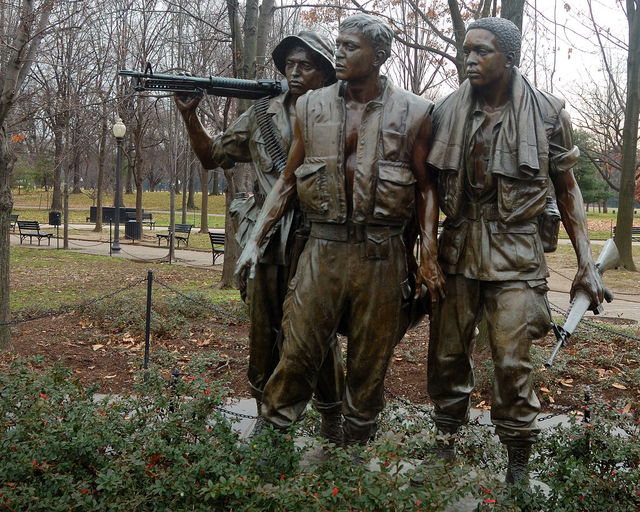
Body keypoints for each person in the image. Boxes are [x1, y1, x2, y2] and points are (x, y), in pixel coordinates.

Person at [236, 13, 445, 446]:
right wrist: (255, 241)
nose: (339, 53)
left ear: (380, 56)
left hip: (381, 254)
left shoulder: (417, 111)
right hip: (322, 249)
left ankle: (355, 456)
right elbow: (288, 180)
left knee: (370, 364)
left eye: (351, 47)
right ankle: (270, 443)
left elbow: (427, 190)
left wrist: (428, 256)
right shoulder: (311, 107)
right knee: (296, 351)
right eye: (339, 44)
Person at [425, 17, 606, 485]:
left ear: (509, 58)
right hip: (457, 247)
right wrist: (423, 249)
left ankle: (518, 465)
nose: (469, 60)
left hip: (517, 252)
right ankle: (444, 447)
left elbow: (567, 190)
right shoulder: (444, 111)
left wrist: (586, 261)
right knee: (446, 357)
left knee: (511, 362)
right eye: (466, 51)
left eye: (481, 52)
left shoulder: (548, 113)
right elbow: (425, 186)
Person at [174, 31, 344, 442]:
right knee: (263, 330)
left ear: (324, 71)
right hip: (269, 241)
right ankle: (266, 417)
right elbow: (212, 156)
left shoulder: (339, 113)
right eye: (289, 64)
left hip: (318, 237)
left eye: (306, 64)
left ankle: (333, 418)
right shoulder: (261, 115)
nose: (295, 71)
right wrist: (190, 116)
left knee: (314, 331)